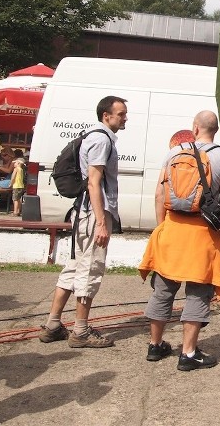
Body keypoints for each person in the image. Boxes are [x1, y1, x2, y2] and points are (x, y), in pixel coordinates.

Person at [138, 111, 220, 371]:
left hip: (171, 230)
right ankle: (189, 353)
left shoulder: (174, 153)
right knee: (197, 293)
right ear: (216, 130)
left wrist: (163, 227)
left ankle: (155, 345)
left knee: (163, 290)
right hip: (202, 234)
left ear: (194, 128)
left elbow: (160, 194)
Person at [38, 96, 127, 348]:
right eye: (120, 114)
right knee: (90, 269)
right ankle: (80, 331)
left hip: (83, 212)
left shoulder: (93, 135)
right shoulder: (101, 139)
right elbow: (93, 182)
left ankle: (53, 325)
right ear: (105, 115)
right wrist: (101, 221)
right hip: (92, 213)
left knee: (74, 267)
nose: (124, 118)